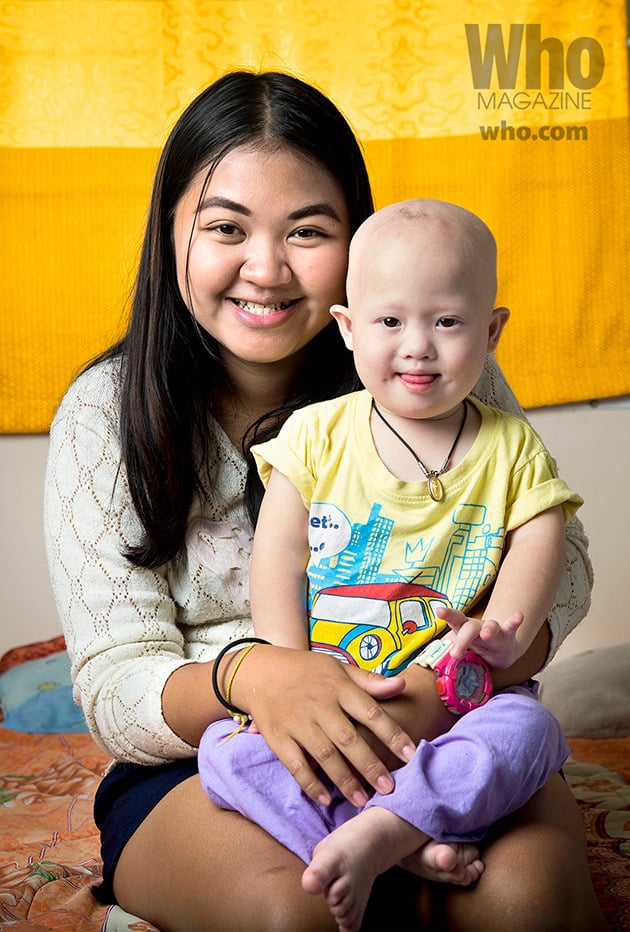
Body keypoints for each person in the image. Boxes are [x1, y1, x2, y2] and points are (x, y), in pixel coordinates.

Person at [43, 70, 605, 932]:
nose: (265, 269)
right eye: (226, 227)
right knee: (295, 914)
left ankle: (407, 831)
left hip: (446, 719)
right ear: (171, 231)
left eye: (308, 231)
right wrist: (260, 677)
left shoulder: (432, 363)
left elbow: (561, 565)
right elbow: (115, 684)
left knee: (527, 903)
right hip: (222, 747)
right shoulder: (102, 414)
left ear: (358, 242)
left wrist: (450, 683)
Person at [198, 198, 582, 932]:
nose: (418, 347)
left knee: (531, 732)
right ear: (348, 329)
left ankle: (389, 829)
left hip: (459, 704)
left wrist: (504, 629)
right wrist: (290, 665)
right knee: (222, 751)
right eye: (389, 321)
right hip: (334, 698)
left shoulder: (510, 447)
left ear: (492, 331)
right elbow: (277, 556)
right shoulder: (314, 436)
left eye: (447, 322)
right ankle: (399, 841)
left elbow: (542, 538)